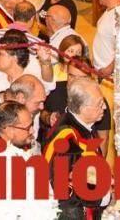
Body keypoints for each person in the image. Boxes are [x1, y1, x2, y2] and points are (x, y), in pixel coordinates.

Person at [44, 78, 109, 218]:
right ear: (83, 109)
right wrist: (103, 196)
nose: (104, 107)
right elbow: (62, 190)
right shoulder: (65, 139)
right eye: (99, 104)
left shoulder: (83, 127)